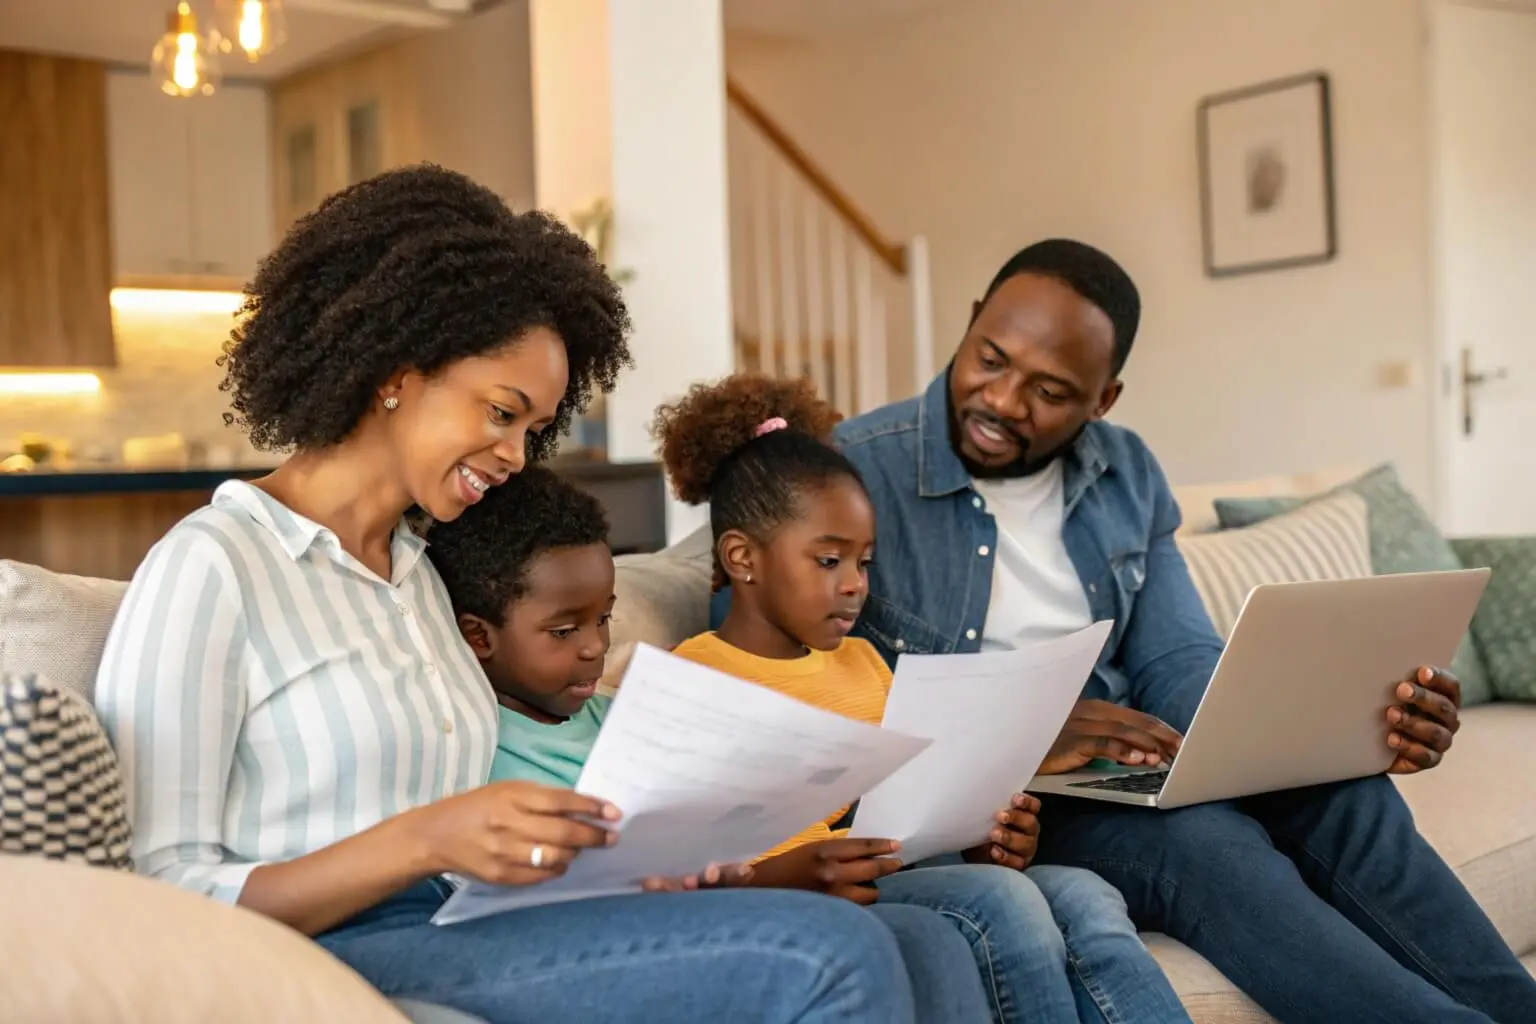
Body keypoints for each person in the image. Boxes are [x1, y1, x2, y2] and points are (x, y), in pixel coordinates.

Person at [93, 164, 959, 1024]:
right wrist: (423, 840)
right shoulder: (216, 565)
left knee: (893, 937)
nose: (515, 454)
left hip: (466, 922)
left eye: (533, 428)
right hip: (317, 956)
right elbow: (150, 891)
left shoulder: (416, 575)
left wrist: (618, 864)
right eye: (501, 413)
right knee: (827, 955)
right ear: (397, 369)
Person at [795, 237, 1536, 1023]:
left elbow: (1176, 655)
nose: (1004, 401)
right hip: (1007, 813)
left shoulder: (1127, 473)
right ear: (974, 320)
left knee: (1349, 796)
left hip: (1114, 771)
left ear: (1103, 399)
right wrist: (1021, 732)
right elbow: (805, 698)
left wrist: (1317, 727)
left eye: (1049, 390)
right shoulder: (848, 475)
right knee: (1209, 847)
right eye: (990, 358)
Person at [662, 374, 1190, 1024]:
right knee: (1006, 904)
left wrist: (986, 838)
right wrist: (784, 874)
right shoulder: (697, 678)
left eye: (865, 563)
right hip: (809, 898)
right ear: (742, 558)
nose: (855, 585)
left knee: (1086, 894)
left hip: (899, 873)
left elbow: (913, 808)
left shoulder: (861, 663)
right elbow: (678, 865)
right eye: (829, 562)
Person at [427, 461, 995, 1022]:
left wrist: (732, 873)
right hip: (608, 948)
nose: (594, 648)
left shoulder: (625, 717)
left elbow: (710, 849)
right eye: (563, 631)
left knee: (933, 938)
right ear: (479, 636)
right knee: (927, 931)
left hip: (704, 914)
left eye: (603, 620)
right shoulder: (479, 748)